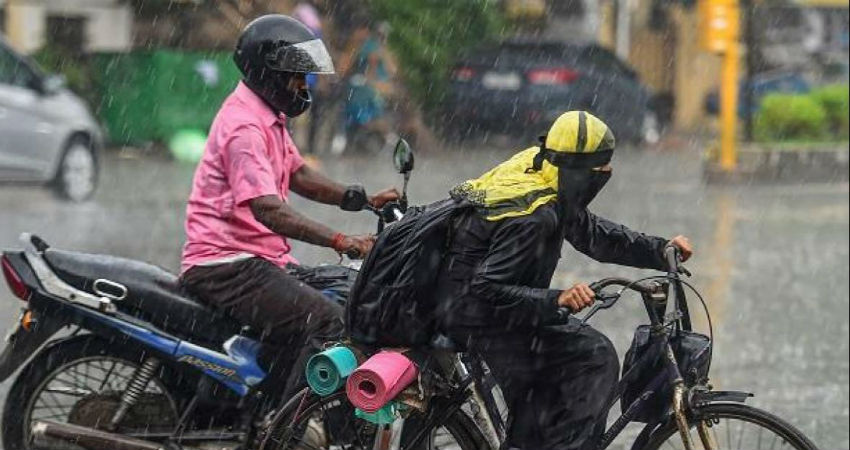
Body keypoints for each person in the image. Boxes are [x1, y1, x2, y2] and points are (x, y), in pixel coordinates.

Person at [435, 111, 693, 450]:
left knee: (559, 376)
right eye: (601, 168)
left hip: (497, 308)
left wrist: (659, 249)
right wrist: (556, 299)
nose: (607, 173)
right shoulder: (536, 216)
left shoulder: (548, 173)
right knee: (594, 358)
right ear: (582, 172)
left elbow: (593, 235)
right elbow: (486, 288)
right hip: (476, 315)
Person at [178, 15, 398, 397]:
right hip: (226, 266)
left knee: (347, 294)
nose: (303, 86)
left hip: (258, 260)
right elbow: (268, 210)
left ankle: (268, 401)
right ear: (269, 74)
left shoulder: (266, 114)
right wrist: (340, 240)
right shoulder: (245, 127)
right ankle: (290, 422)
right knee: (328, 323)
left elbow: (299, 174)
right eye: (296, 77)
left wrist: (361, 199)